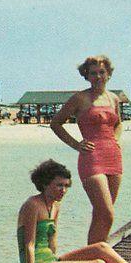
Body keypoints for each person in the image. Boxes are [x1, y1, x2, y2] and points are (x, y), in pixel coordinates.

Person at [51, 55, 122, 244]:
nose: (98, 77)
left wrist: (116, 140)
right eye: (93, 73)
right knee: (107, 212)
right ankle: (96, 256)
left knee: (102, 215)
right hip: (91, 158)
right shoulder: (79, 98)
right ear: (86, 75)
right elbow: (56, 123)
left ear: (108, 74)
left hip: (113, 157)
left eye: (101, 72)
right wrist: (76, 144)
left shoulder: (114, 98)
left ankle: (96, 256)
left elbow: (118, 123)